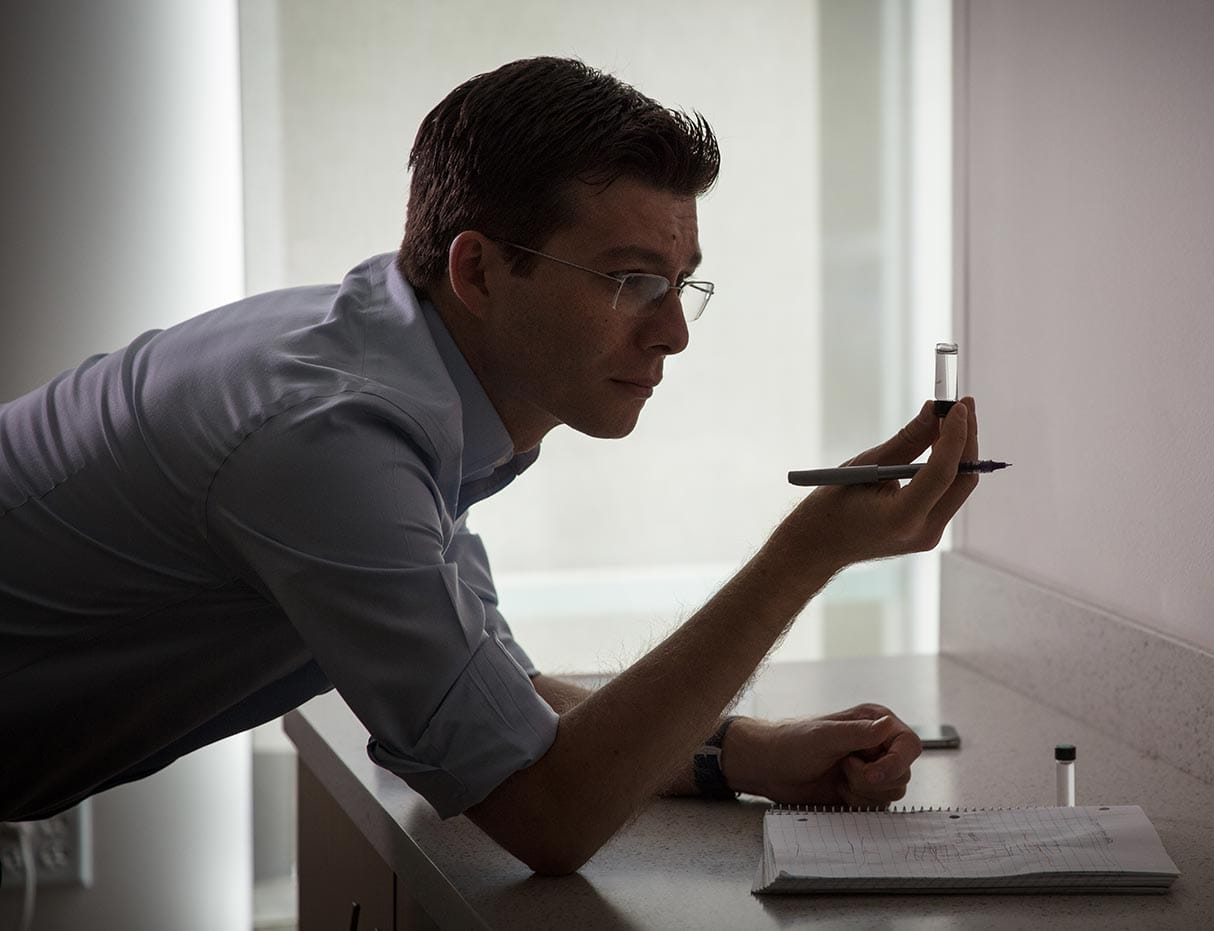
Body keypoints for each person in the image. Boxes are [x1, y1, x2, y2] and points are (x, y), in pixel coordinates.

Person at [0, 56, 979, 874]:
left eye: (682, 285)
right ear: (475, 271)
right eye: (630, 280)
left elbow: (498, 701)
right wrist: (801, 557)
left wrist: (747, 753)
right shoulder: (333, 443)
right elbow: (542, 812)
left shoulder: (395, 371)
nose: (674, 334)